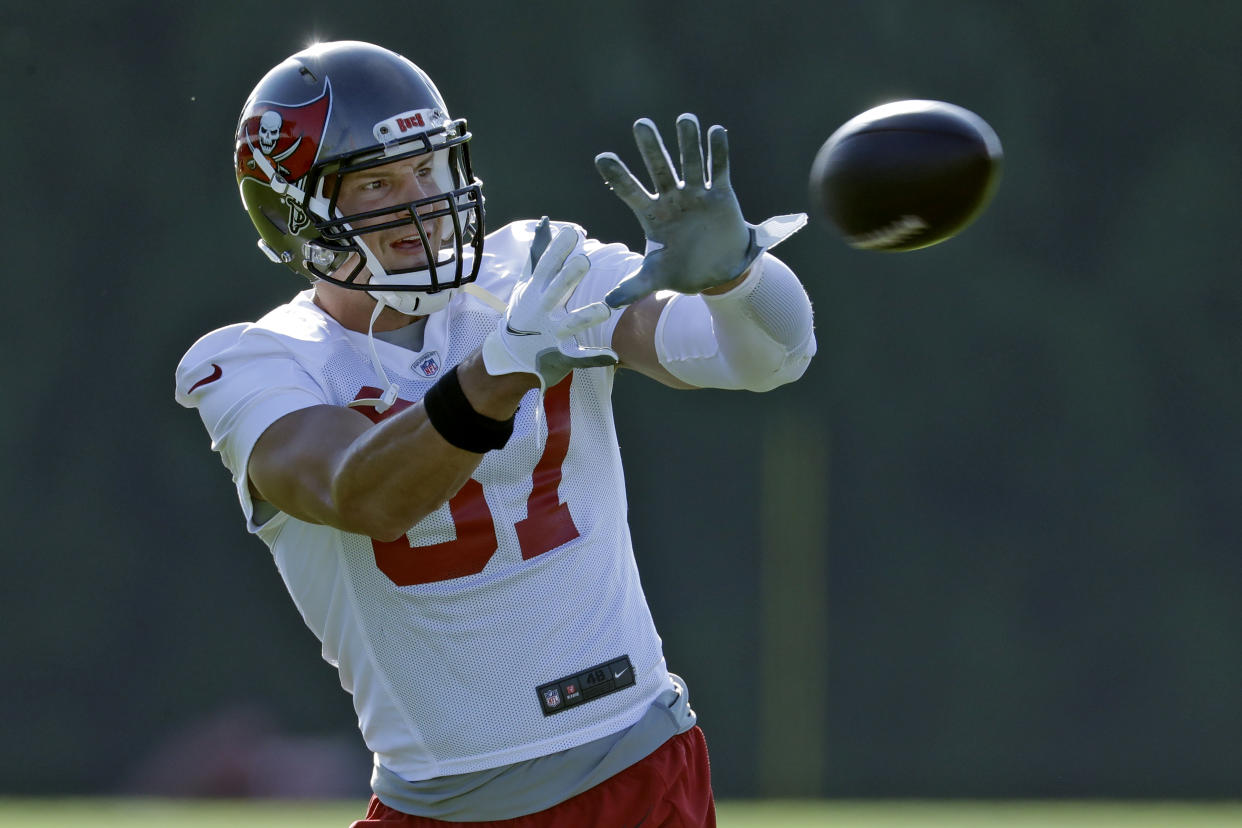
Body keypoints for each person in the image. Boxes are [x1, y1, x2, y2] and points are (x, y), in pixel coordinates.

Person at [175, 40, 816, 827]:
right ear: (296, 213)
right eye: (377, 183)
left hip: (638, 767)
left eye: (429, 169)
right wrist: (503, 364)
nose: (421, 202)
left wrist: (738, 277)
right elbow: (362, 493)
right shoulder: (259, 362)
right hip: (442, 804)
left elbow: (766, 359)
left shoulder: (531, 269)